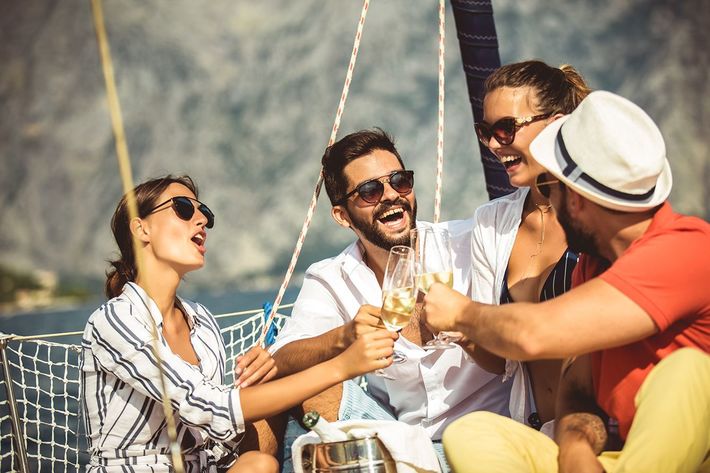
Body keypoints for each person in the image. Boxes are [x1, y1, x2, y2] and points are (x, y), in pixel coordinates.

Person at [422, 91, 710, 472]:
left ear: (575, 200)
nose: (546, 202)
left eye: (549, 186)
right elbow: (577, 389)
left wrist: (460, 313)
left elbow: (533, 335)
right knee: (471, 432)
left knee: (688, 370)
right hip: (614, 460)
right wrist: (575, 450)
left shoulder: (687, 250)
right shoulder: (591, 264)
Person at [80, 175, 396, 472]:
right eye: (184, 208)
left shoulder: (201, 321)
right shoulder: (115, 320)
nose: (202, 220)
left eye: (204, 213)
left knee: (259, 463)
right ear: (141, 229)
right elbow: (209, 407)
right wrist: (343, 366)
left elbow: (217, 432)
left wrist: (260, 377)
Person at [266, 128, 512, 468]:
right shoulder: (332, 277)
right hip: (403, 440)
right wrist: (344, 337)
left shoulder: (467, 243)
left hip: (487, 438)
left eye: (400, 181)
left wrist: (465, 326)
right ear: (342, 215)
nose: (391, 195)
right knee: (307, 386)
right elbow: (281, 358)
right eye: (370, 191)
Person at [470, 60, 591, 435]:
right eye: (485, 131)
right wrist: (461, 331)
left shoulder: (598, 212)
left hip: (599, 428)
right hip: (533, 429)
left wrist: (464, 316)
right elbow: (496, 359)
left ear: (556, 124)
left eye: (506, 128)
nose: (494, 144)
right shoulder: (491, 223)